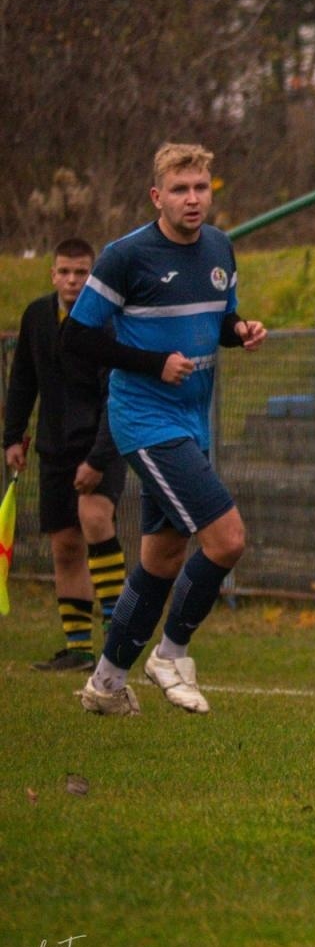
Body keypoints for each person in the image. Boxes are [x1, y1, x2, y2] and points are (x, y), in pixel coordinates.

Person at [61, 142, 268, 715]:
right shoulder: (125, 256)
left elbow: (218, 320)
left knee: (162, 559)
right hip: (145, 420)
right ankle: (170, 654)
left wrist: (240, 331)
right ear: (157, 196)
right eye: (180, 189)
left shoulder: (220, 246)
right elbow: (75, 338)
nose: (192, 199)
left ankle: (105, 685)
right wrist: (153, 364)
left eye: (200, 187)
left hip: (190, 420)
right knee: (227, 539)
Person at [3, 238, 128, 671]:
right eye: (65, 272)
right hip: (53, 447)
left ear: (93, 276)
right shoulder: (36, 316)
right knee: (65, 546)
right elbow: (23, 378)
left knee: (94, 518)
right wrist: (12, 437)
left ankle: (118, 637)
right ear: (53, 274)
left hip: (101, 441)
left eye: (81, 272)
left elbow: (116, 394)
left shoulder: (106, 320)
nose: (73, 280)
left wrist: (97, 458)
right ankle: (78, 649)